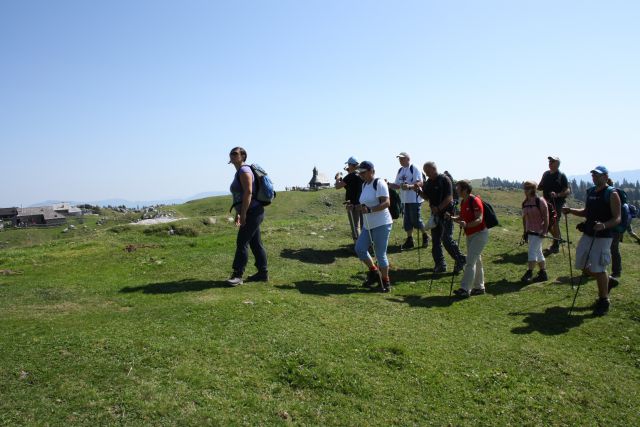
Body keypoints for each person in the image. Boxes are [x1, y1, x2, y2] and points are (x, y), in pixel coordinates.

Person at [563, 166, 621, 316]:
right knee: (581, 264)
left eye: (598, 175)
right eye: (593, 175)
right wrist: (571, 210)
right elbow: (586, 212)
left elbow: (617, 218)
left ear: (606, 176)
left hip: (603, 236)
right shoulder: (591, 192)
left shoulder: (612, 193)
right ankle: (608, 280)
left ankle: (604, 300)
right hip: (588, 233)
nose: (594, 177)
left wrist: (604, 225)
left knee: (598, 267)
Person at [226, 147, 268, 286]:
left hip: (253, 212)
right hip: (252, 211)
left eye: (235, 154)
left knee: (242, 242)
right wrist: (239, 213)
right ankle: (262, 273)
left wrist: (243, 214)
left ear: (243, 156)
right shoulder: (240, 171)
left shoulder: (244, 170)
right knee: (255, 243)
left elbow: (248, 192)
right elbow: (240, 195)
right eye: (231, 153)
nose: (232, 156)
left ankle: (238, 275)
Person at [350, 161, 393, 292]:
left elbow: (386, 203)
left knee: (380, 254)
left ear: (371, 171)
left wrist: (370, 210)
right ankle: (374, 272)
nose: (361, 175)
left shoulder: (379, 183)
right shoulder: (364, 185)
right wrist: (354, 206)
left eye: (363, 172)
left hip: (382, 223)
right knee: (360, 248)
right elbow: (364, 205)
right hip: (368, 225)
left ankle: (386, 282)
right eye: (360, 173)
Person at [416, 161, 466, 273]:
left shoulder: (444, 180)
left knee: (446, 239)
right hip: (435, 215)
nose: (427, 174)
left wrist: (438, 208)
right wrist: (419, 192)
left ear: (434, 169)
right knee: (436, 240)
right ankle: (440, 264)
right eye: (425, 172)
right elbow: (427, 197)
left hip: (447, 214)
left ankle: (460, 259)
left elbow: (449, 197)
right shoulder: (429, 182)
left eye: (428, 171)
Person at [449, 180, 488, 298]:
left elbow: (479, 219)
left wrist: (466, 225)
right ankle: (479, 287)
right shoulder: (463, 202)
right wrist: (452, 218)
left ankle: (465, 289)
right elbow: (462, 217)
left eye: (458, 188)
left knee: (470, 262)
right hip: (470, 234)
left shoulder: (475, 201)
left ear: (465, 190)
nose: (456, 190)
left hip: (480, 234)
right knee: (477, 261)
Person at [388, 152, 429, 250]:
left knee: (416, 219)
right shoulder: (400, 170)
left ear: (408, 159)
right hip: (405, 199)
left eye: (402, 158)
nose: (400, 160)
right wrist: (388, 184)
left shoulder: (414, 168)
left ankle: (425, 235)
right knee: (407, 220)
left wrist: (409, 186)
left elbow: (420, 182)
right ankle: (410, 239)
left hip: (415, 198)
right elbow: (397, 185)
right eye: (399, 159)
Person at [538, 156, 571, 254]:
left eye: (552, 161)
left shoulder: (561, 175)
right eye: (549, 161)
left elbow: (567, 190)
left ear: (557, 164)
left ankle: (556, 245)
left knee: (554, 222)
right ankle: (558, 239)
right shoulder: (546, 174)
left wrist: (557, 195)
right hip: (546, 202)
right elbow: (540, 186)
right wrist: (536, 187)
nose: (550, 163)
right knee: (547, 222)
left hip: (557, 203)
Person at [520, 181, 549, 283]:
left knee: (532, 251)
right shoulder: (525, 203)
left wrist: (545, 231)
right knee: (538, 252)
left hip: (539, 231)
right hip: (530, 232)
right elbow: (524, 218)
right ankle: (543, 273)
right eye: (525, 188)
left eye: (528, 188)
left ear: (533, 189)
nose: (526, 190)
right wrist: (525, 232)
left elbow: (546, 217)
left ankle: (529, 273)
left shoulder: (540, 201)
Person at [335, 156, 363, 242]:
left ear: (351, 165)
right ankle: (367, 245)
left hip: (353, 204)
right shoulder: (361, 175)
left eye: (348, 165)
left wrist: (337, 178)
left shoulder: (350, 176)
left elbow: (337, 186)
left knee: (355, 226)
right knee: (363, 225)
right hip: (362, 203)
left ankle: (358, 246)